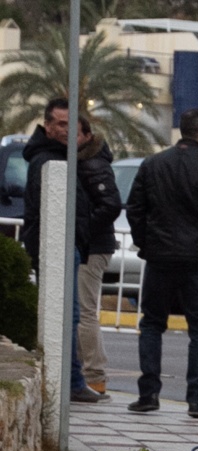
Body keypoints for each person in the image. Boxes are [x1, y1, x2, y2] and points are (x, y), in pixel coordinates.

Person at [126, 108, 198, 419]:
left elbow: (135, 209)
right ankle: (197, 401)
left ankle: (148, 394)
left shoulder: (153, 164)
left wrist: (147, 244)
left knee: (151, 324)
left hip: (160, 257)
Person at [20, 98, 106, 403]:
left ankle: (71, 380)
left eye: (71, 124)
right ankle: (70, 382)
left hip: (70, 247)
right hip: (58, 249)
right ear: (47, 125)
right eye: (59, 123)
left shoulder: (65, 158)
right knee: (66, 318)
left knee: (67, 317)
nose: (66, 129)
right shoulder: (49, 161)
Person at [76, 116, 122, 395]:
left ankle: (95, 374)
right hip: (92, 245)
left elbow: (111, 204)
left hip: (94, 247)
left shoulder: (93, 164)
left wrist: (83, 228)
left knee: (85, 311)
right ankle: (91, 373)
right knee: (83, 310)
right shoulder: (85, 161)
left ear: (87, 135)